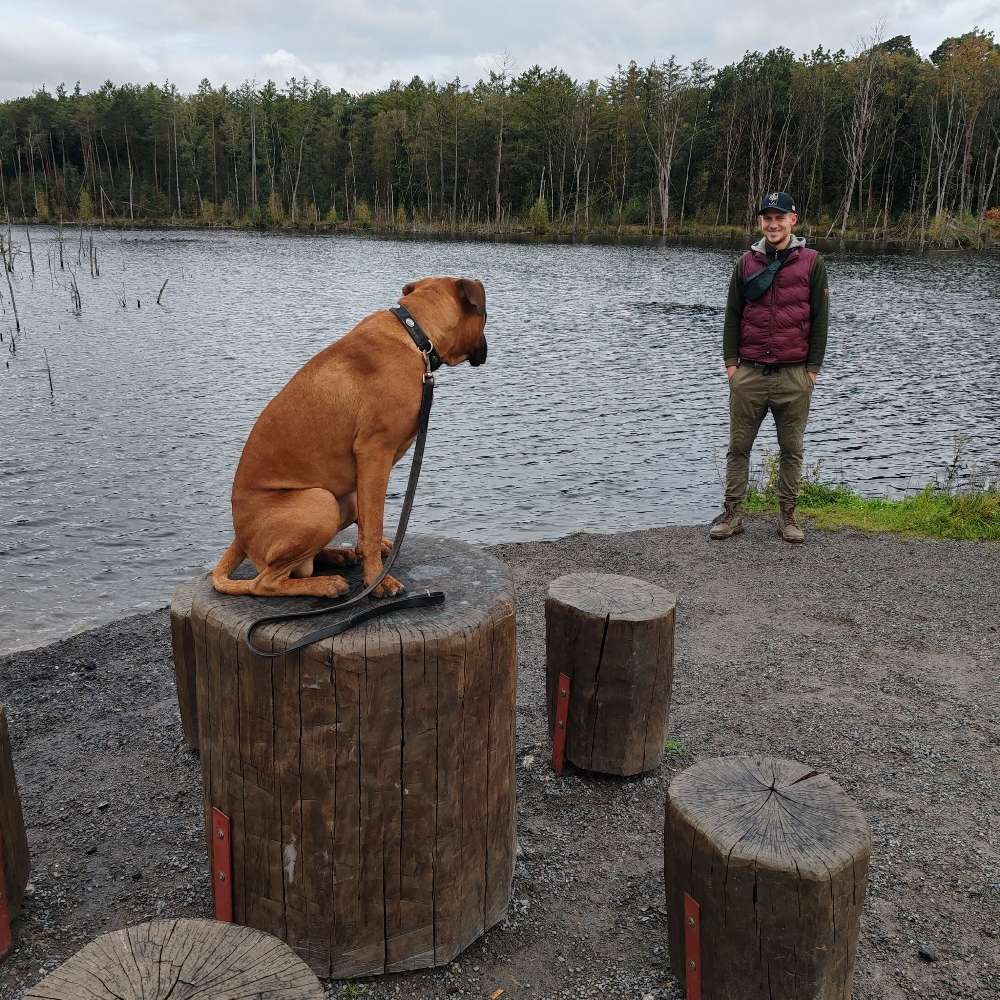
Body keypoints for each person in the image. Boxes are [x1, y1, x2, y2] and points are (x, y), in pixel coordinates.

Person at [709, 191, 829, 543]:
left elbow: (821, 321)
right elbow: (732, 315)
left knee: (792, 450)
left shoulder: (812, 263)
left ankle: (788, 518)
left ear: (793, 220)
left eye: (780, 217)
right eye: (767, 218)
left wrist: (812, 371)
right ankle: (733, 514)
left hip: (794, 375)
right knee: (738, 448)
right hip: (750, 373)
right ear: (761, 222)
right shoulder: (746, 263)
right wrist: (732, 366)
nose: (773, 224)